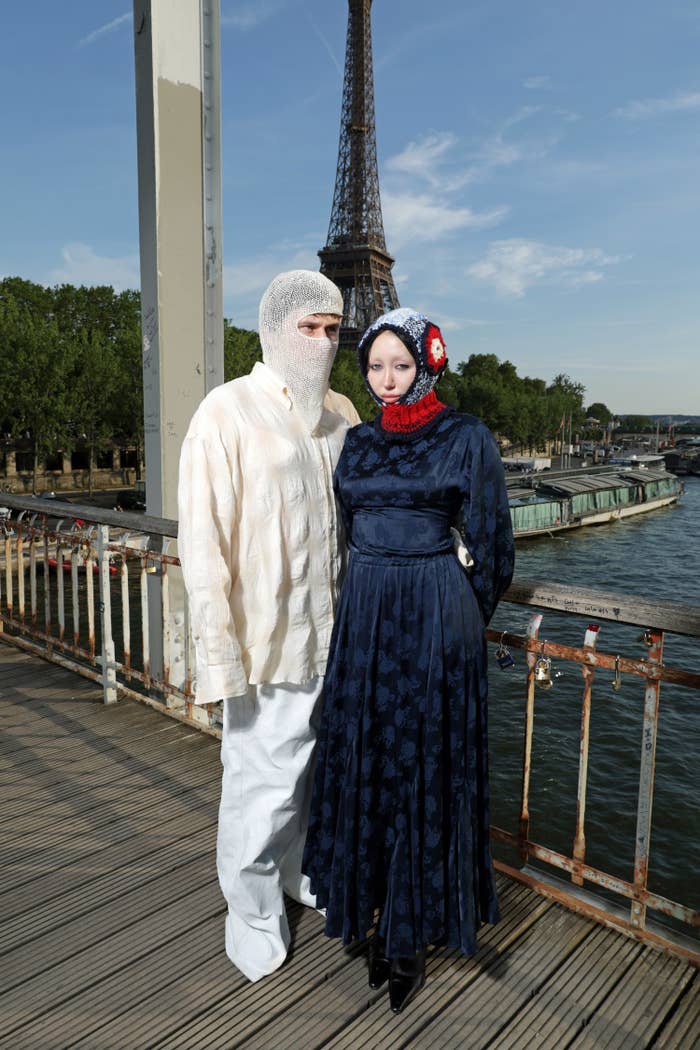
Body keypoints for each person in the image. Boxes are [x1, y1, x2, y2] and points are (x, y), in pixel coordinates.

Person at [302, 307, 514, 1013]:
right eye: (373, 366)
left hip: (433, 619)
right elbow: (344, 531)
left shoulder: (466, 436)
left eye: (399, 364)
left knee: (422, 767)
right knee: (370, 764)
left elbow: (494, 551)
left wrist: (454, 623)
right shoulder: (356, 443)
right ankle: (372, 908)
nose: (386, 379)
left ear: (429, 362)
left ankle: (406, 935)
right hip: (365, 616)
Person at [177, 270, 360, 983]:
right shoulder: (227, 413)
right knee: (260, 786)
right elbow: (204, 547)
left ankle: (296, 875)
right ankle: (248, 912)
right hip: (269, 644)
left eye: (331, 328)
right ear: (273, 328)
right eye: (306, 327)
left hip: (334, 636)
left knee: (312, 779)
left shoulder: (342, 411)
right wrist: (219, 659)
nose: (320, 341)